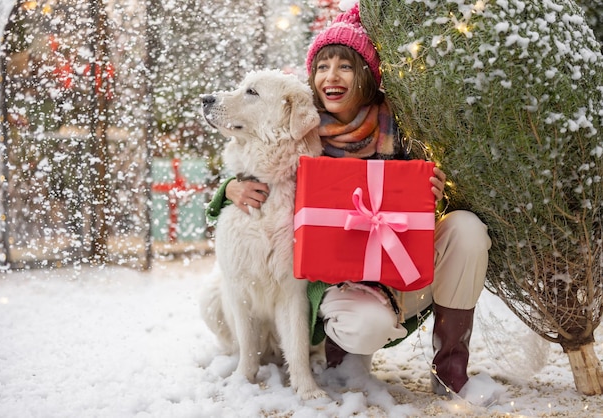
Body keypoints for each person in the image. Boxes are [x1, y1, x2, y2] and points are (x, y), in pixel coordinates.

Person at [206, 3, 496, 403]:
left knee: (466, 229)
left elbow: (431, 190)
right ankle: (344, 357)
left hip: (402, 268)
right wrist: (230, 189)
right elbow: (261, 161)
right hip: (349, 285)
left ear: (365, 76)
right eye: (323, 66)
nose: (331, 76)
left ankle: (450, 369)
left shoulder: (403, 127)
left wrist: (434, 192)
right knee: (362, 324)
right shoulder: (304, 135)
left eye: (345, 65)